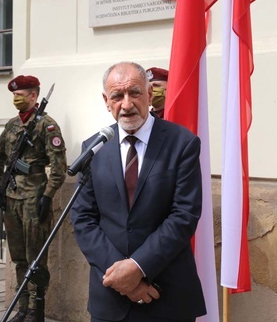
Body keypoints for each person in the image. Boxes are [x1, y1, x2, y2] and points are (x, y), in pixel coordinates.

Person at [70, 62, 206, 322]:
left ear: (149, 93)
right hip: (110, 298)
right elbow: (83, 217)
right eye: (117, 96)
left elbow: (184, 215)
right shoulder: (94, 148)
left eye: (134, 93)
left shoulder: (182, 143)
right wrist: (123, 279)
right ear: (106, 101)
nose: (127, 104)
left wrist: (137, 267)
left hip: (166, 296)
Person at [0, 75, 67, 322]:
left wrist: (47, 196)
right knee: (19, 258)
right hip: (12, 199)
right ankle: (22, 307)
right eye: (14, 94)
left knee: (36, 258)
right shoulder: (12, 126)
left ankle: (35, 309)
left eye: (21, 94)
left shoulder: (47, 126)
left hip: (34, 199)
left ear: (34, 95)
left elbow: (59, 167)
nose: (16, 98)